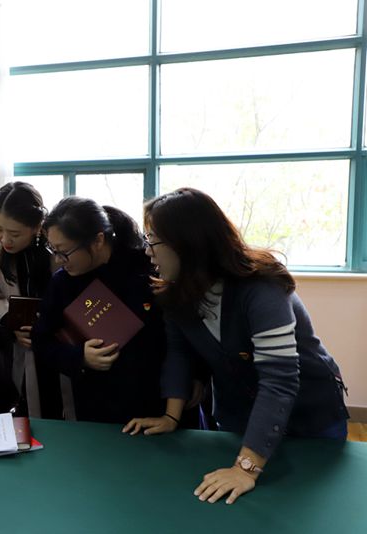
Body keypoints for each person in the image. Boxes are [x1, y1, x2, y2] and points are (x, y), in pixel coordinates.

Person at [123, 187, 349, 505]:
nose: (148, 252)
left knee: (309, 504)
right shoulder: (175, 292)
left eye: (153, 241)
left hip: (309, 414)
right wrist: (171, 417)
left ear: (187, 243)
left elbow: (279, 380)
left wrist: (245, 469)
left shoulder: (262, 288)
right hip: (240, 415)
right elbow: (179, 351)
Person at [31, 197, 167, 423]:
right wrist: (80, 357)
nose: (58, 260)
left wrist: (193, 379)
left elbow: (179, 331)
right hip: (98, 405)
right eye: (53, 250)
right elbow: (41, 340)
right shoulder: (62, 283)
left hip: (156, 400)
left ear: (98, 240)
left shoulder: (146, 267)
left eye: (64, 251)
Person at [0, 182, 54, 416]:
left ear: (37, 227)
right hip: (19, 343)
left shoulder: (56, 251)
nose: (5, 239)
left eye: (14, 234)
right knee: (24, 401)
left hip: (56, 341)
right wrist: (11, 323)